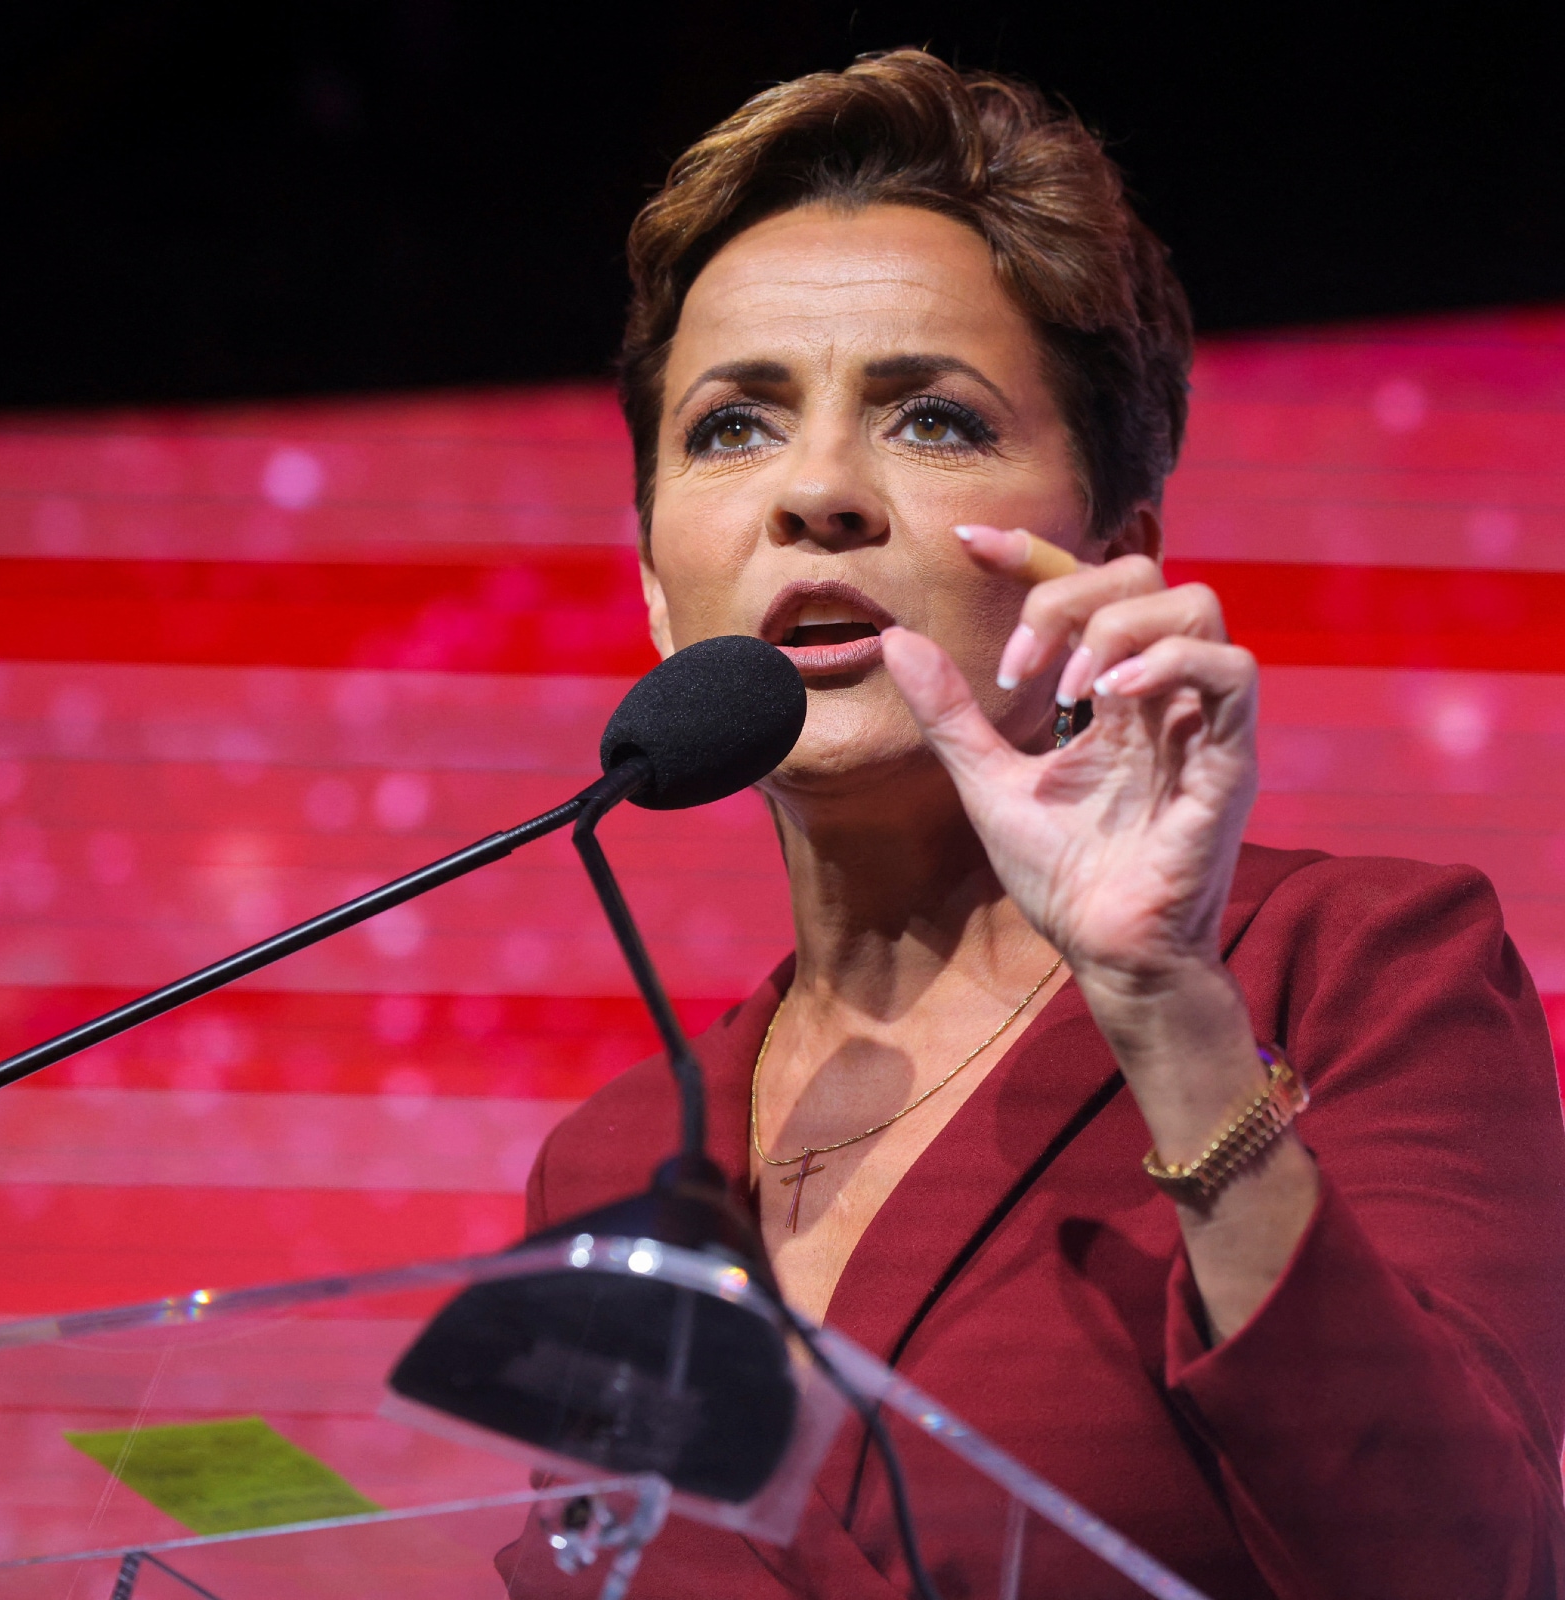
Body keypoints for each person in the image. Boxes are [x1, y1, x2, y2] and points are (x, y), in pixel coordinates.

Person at [498, 49, 1565, 1598]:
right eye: (733, 427)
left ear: (1113, 554)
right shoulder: (603, 1171)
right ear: (658, 580)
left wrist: (1167, 1010)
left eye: (933, 419)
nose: (818, 493)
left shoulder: (1355, 970)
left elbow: (1472, 1571)